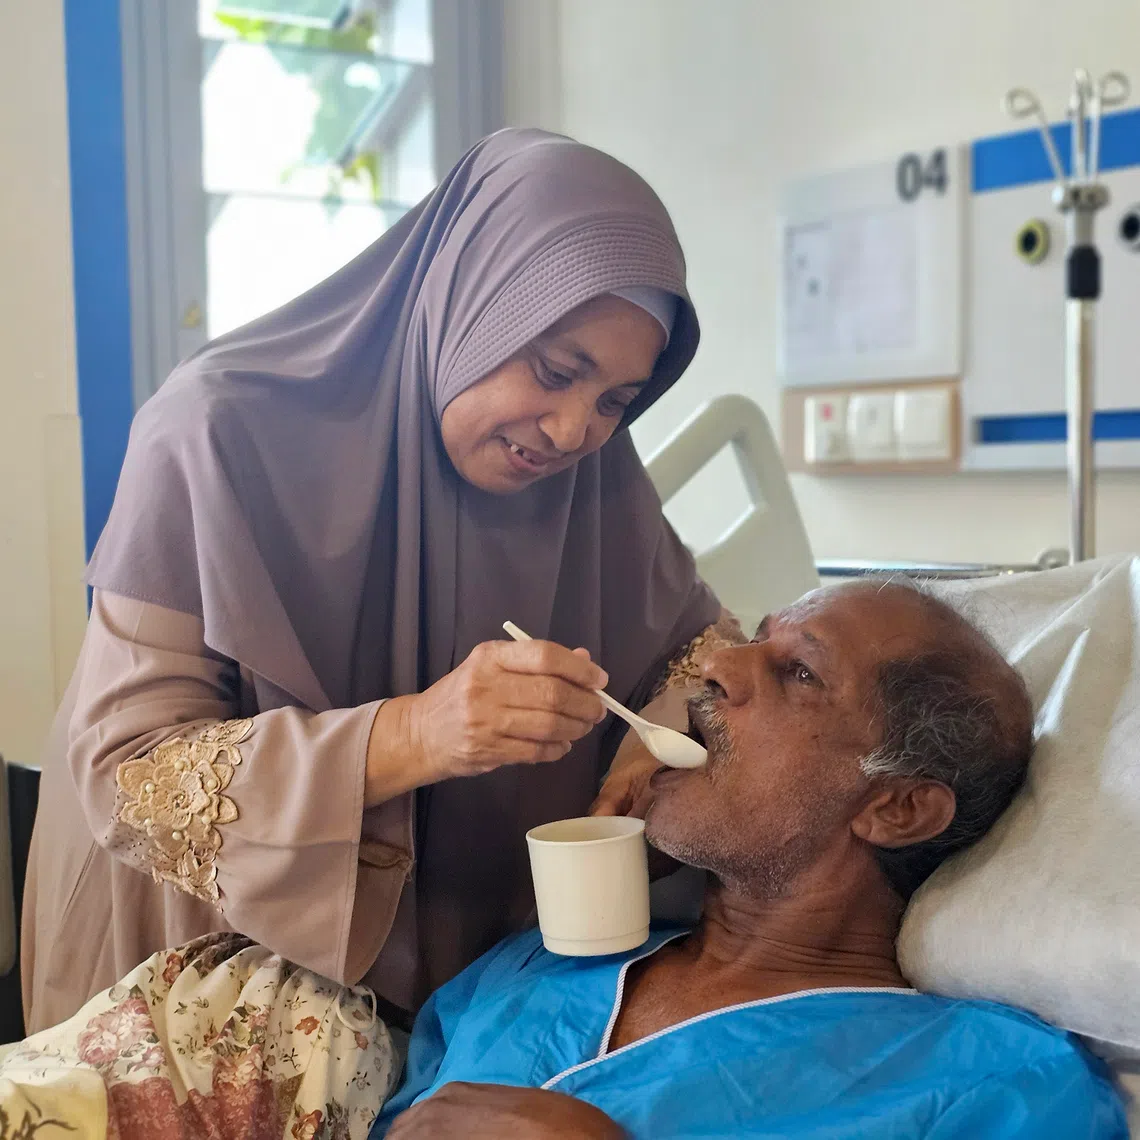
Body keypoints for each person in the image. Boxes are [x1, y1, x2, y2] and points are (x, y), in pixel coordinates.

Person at [22, 127, 735, 1035]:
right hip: (198, 972)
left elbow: (707, 649)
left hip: (456, 988)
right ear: (470, 303)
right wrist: (416, 733)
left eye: (615, 401)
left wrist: (653, 741)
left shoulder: (596, 483)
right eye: (555, 370)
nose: (570, 431)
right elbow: (135, 783)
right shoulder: (215, 432)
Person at [373, 582, 1128, 1139]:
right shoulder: (533, 971)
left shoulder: (1001, 1085)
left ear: (895, 808)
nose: (721, 663)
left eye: (800, 672)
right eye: (755, 639)